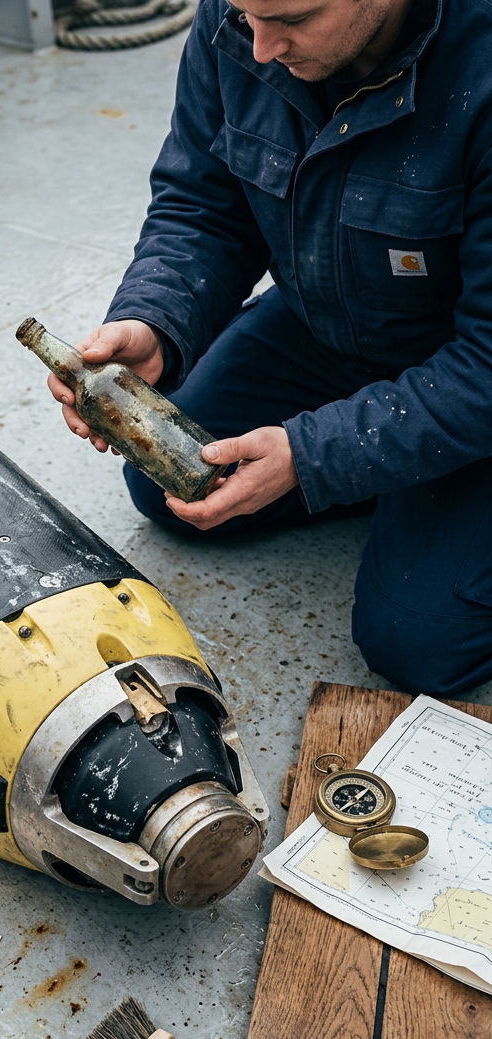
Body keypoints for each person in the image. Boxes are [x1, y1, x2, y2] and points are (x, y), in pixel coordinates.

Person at [46, 0, 492, 698]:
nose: (257, 48)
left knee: (419, 643)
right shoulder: (244, 16)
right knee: (175, 481)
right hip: (332, 317)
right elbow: (202, 203)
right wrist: (156, 323)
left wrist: (313, 456)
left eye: (292, 18)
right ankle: (396, 481)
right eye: (244, 15)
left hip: (466, 365)